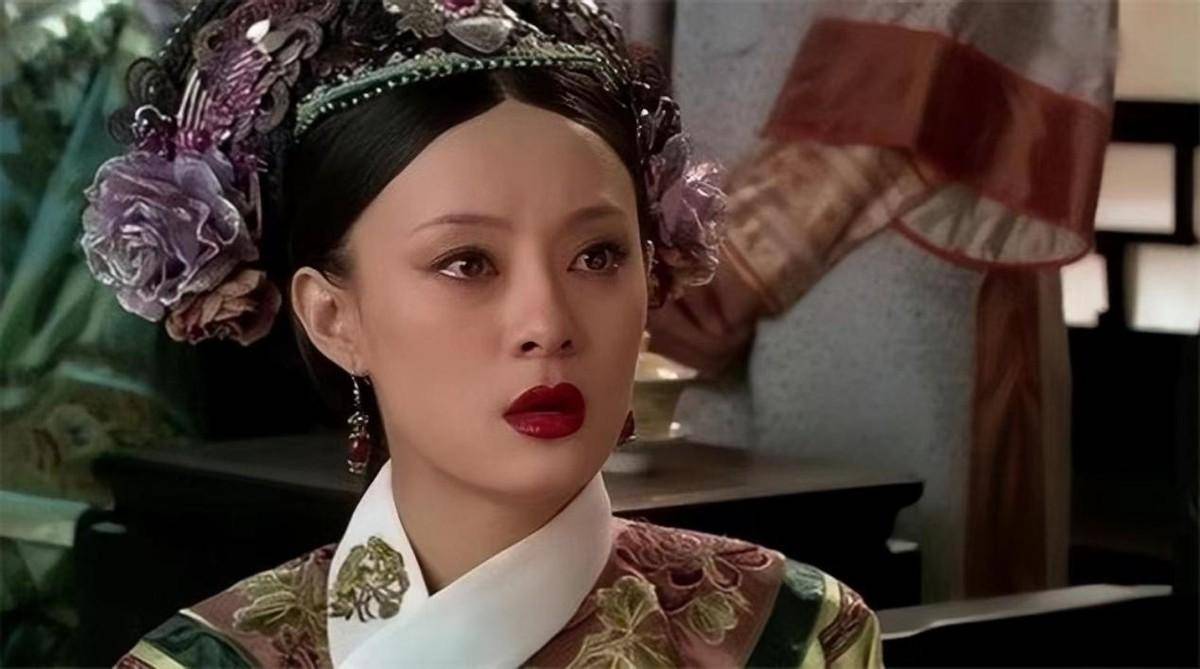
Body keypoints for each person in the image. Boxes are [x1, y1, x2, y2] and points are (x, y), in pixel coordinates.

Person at [81, 0, 883, 666]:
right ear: (333, 318)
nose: (548, 324)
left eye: (597, 255)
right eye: (467, 262)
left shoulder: (793, 635)